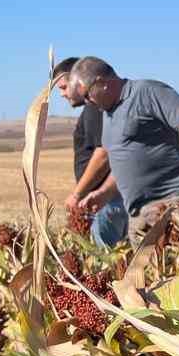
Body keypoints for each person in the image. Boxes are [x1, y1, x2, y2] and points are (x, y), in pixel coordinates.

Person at [69, 56, 179, 245]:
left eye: (87, 95)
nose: (88, 102)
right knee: (147, 275)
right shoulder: (108, 115)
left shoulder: (147, 92)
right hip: (138, 217)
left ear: (101, 83)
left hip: (171, 206)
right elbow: (124, 165)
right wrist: (104, 193)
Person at [54, 57, 129, 247]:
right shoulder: (96, 108)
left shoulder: (93, 110)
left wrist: (77, 194)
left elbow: (103, 153)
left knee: (105, 263)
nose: (62, 94)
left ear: (76, 81)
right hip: (106, 199)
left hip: (105, 201)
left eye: (63, 87)